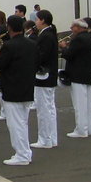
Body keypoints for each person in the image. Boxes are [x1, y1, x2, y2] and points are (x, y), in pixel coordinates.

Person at [0, 15, 38, 165]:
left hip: (12, 88)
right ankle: (25, 152)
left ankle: (22, 155)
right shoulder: (32, 44)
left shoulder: (9, 46)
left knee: (15, 124)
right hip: (27, 86)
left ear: (9, 27)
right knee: (23, 122)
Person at [61, 19, 91, 137]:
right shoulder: (90, 37)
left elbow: (69, 55)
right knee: (88, 103)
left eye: (73, 26)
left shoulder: (78, 39)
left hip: (77, 74)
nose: (71, 28)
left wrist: (64, 47)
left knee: (79, 104)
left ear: (78, 27)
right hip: (87, 73)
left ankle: (81, 130)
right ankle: (90, 128)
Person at [32, 9, 58, 149]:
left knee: (44, 109)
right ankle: (51, 138)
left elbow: (41, 56)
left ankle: (45, 139)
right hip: (48, 76)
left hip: (44, 76)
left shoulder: (46, 35)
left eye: (37, 19)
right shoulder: (49, 34)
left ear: (42, 20)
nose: (36, 22)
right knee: (49, 108)